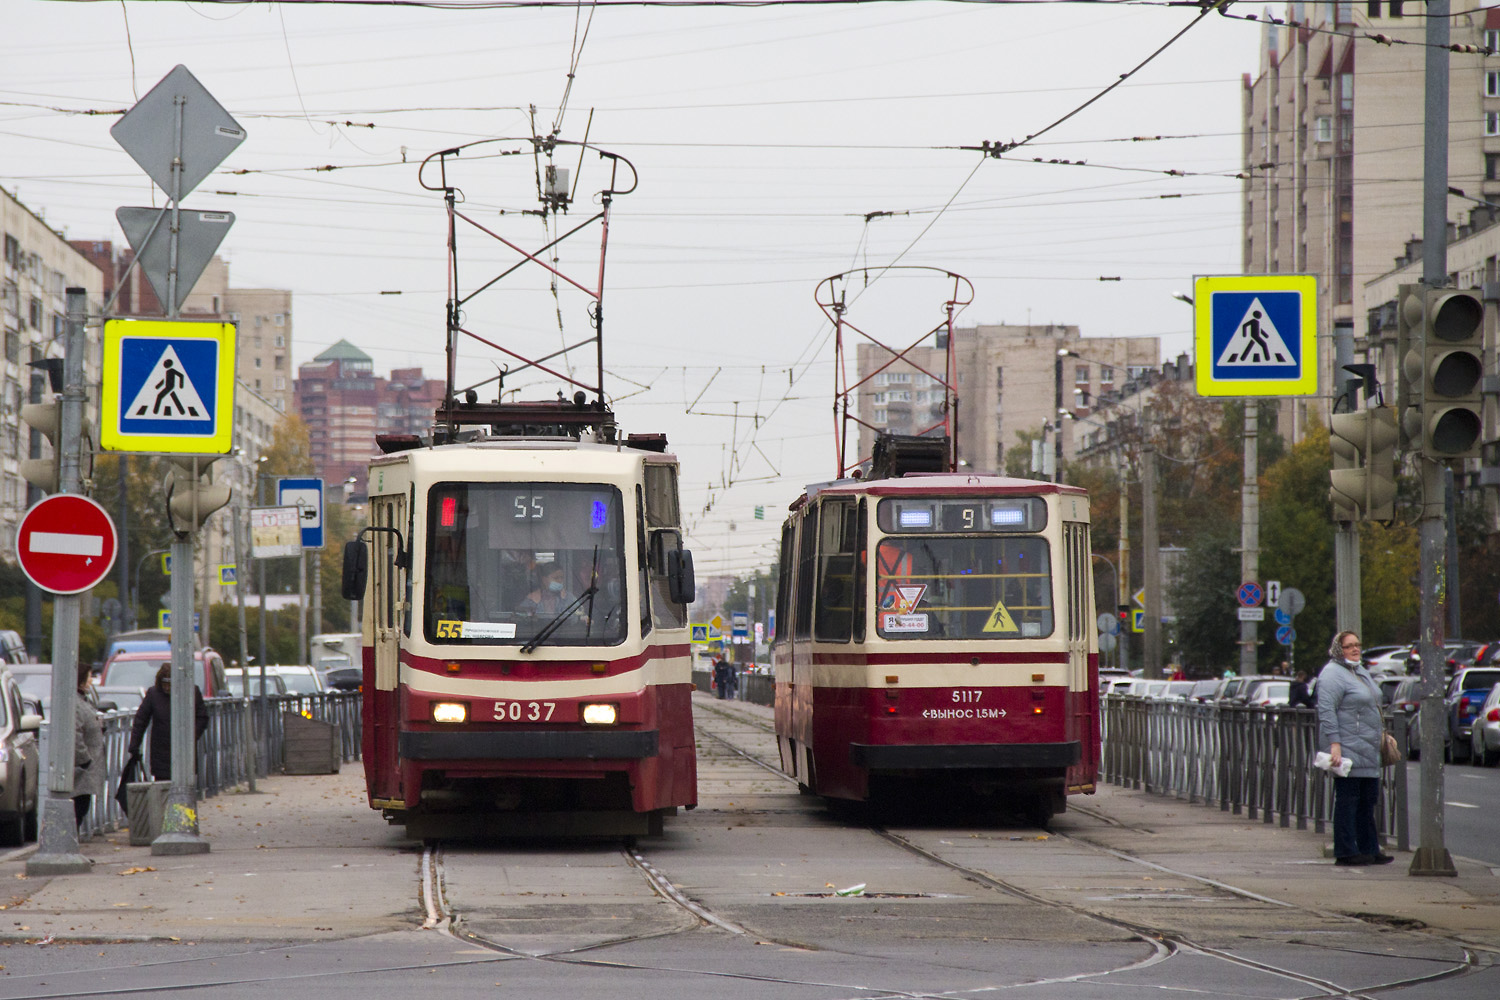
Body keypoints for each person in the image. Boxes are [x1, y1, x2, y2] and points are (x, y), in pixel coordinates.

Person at [1316, 631, 1394, 866]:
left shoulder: (1359, 671)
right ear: (1339, 649)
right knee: (1348, 800)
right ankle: (1346, 851)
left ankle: (1369, 848)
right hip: (1348, 747)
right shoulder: (1332, 674)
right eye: (1349, 646)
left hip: (1368, 746)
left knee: (1367, 800)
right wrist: (1335, 745)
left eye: (1358, 644)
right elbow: (1327, 711)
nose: (1355, 649)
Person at [128, 664, 209, 782]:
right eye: (164, 684)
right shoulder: (153, 694)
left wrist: (191, 736)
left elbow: (202, 717)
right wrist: (134, 744)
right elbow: (141, 720)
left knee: (184, 784)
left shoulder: (191, 692)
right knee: (163, 786)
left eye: (170, 684)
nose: (167, 688)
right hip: (160, 750)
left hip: (184, 750)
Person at [73, 661, 104, 831]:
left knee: (82, 808)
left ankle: (73, 846)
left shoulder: (84, 700)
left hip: (84, 769)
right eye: (89, 677)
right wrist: (84, 759)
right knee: (78, 808)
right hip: (80, 770)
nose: (91, 681)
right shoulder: (75, 704)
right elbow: (75, 734)